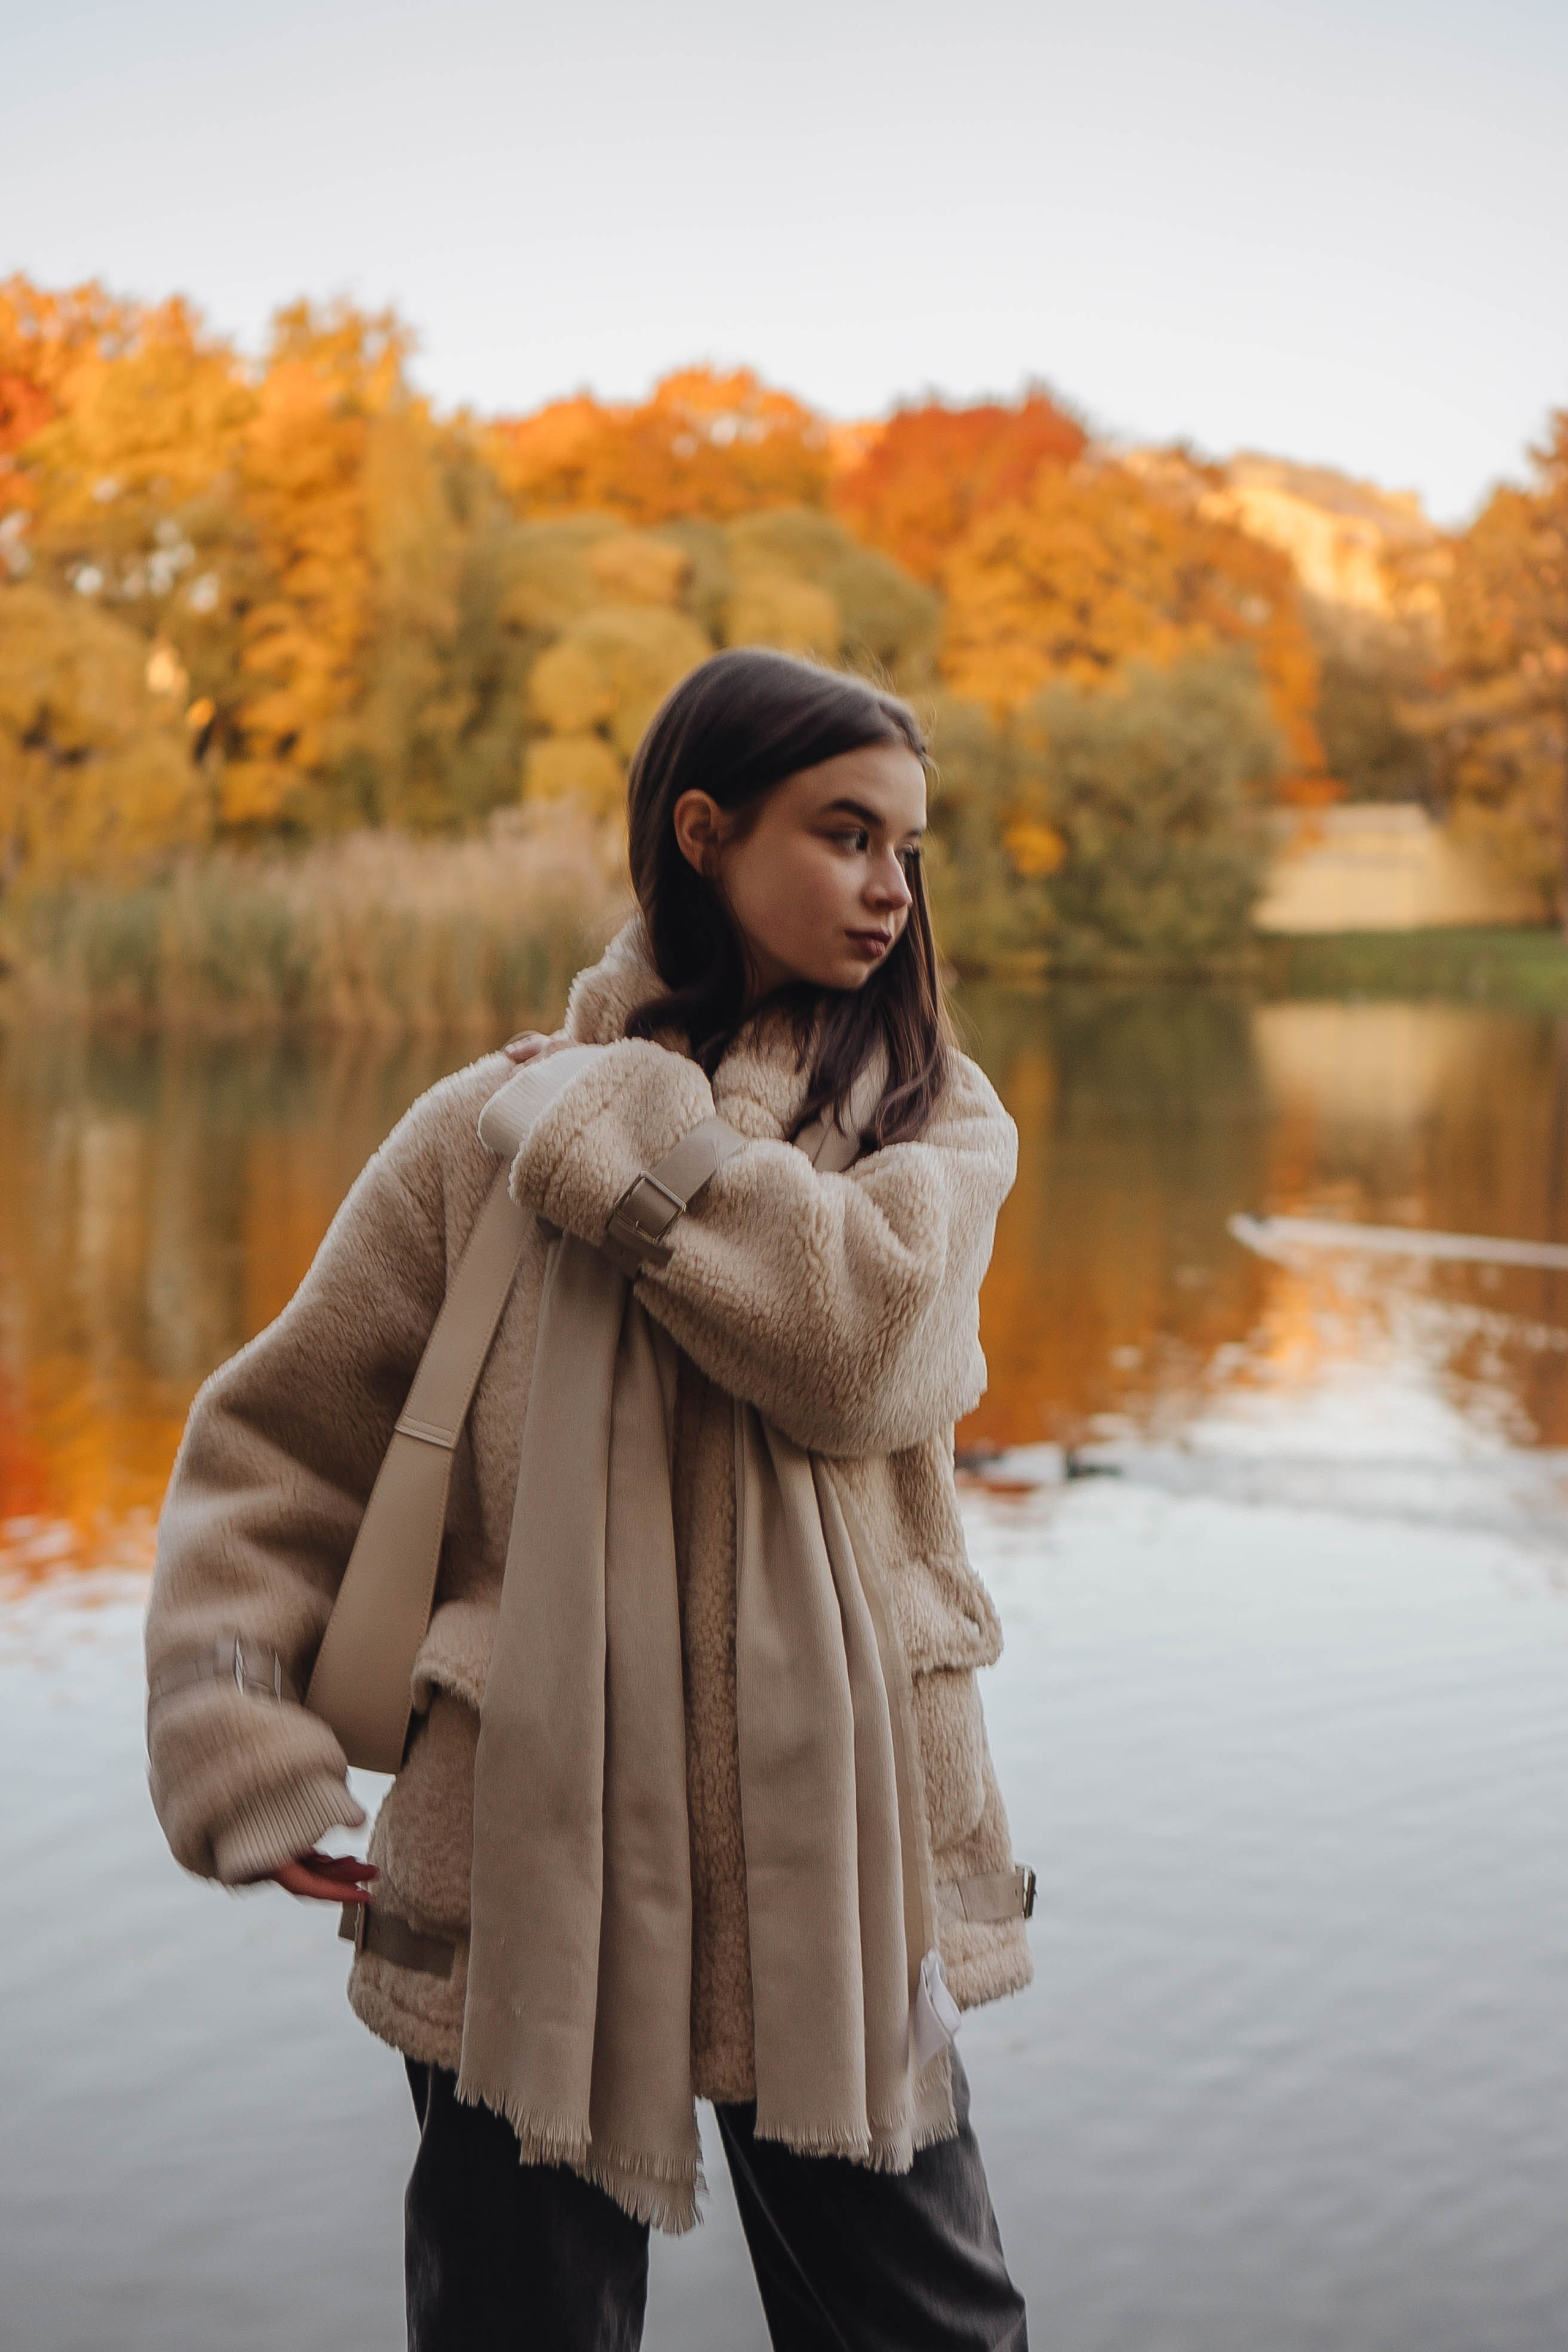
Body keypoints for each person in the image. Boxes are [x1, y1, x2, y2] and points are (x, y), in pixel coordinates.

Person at [145, 647, 1033, 2350]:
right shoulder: (481, 1140)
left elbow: (860, 1350)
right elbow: (280, 1443)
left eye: (911, 849)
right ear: (704, 832)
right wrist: (242, 1741)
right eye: (847, 835)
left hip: (835, 1877)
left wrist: (621, 1132)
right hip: (525, 1865)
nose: (890, 891)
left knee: (931, 2331)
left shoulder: (933, 1122)